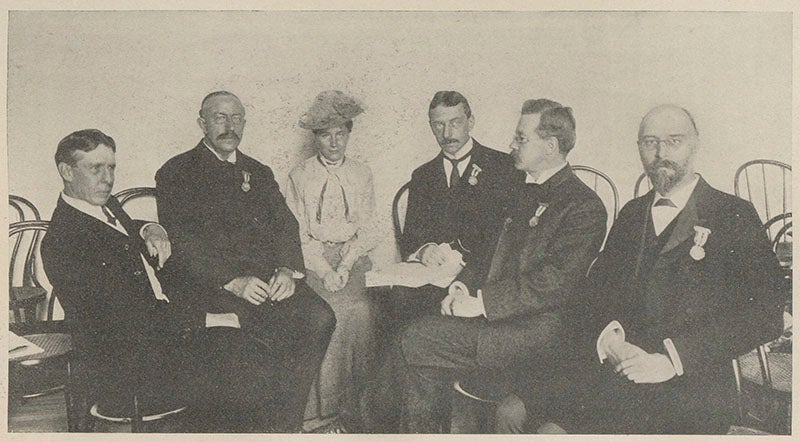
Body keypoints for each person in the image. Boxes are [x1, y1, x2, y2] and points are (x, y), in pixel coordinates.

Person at [497, 105, 785, 434]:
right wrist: (611, 342)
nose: (660, 153)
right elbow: (594, 294)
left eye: (673, 141)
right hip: (616, 369)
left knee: (552, 433)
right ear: (639, 149)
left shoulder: (733, 214)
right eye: (649, 143)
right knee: (510, 411)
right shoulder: (633, 214)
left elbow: (766, 313)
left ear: (695, 144)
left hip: (688, 385)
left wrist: (670, 360)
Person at [398, 99, 608, 433]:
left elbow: (552, 283)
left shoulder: (583, 206)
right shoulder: (522, 193)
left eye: (521, 138)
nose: (511, 144)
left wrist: (480, 303)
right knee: (418, 337)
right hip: (503, 319)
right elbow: (488, 251)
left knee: (415, 340)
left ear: (551, 147)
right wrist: (462, 286)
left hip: (538, 331)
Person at [155, 91, 336, 433]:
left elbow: (285, 225)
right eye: (220, 118)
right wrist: (232, 281)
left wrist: (287, 270)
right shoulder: (176, 171)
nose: (229, 126)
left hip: (268, 282)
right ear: (202, 123)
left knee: (319, 317)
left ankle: (286, 424)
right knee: (247, 336)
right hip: (213, 287)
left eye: (236, 118)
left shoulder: (258, 171)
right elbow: (181, 242)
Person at [41, 129, 239, 425]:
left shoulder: (100, 205)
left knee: (251, 335)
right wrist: (209, 318)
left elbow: (121, 230)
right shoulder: (64, 241)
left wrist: (151, 228)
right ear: (66, 171)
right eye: (96, 168)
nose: (107, 178)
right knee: (244, 358)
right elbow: (128, 317)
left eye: (111, 167)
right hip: (126, 371)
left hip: (155, 339)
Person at [363, 91, 524, 432]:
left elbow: (511, 235)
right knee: (395, 304)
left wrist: (465, 262)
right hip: (432, 278)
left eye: (455, 122)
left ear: (471, 121)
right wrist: (424, 250)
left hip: (482, 278)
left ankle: (372, 417)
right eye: (438, 125)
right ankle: (412, 423)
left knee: (414, 328)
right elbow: (411, 235)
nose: (447, 132)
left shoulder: (503, 166)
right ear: (430, 127)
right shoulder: (422, 175)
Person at [285, 91, 378, 432]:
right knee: (327, 313)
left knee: (362, 310)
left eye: (341, 132)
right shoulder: (299, 175)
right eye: (326, 134)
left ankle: (354, 410)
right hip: (312, 260)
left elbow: (367, 228)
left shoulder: (362, 173)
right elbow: (297, 234)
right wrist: (324, 270)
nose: (334, 141)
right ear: (315, 137)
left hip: (353, 258)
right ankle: (320, 415)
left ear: (349, 133)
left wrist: (344, 265)